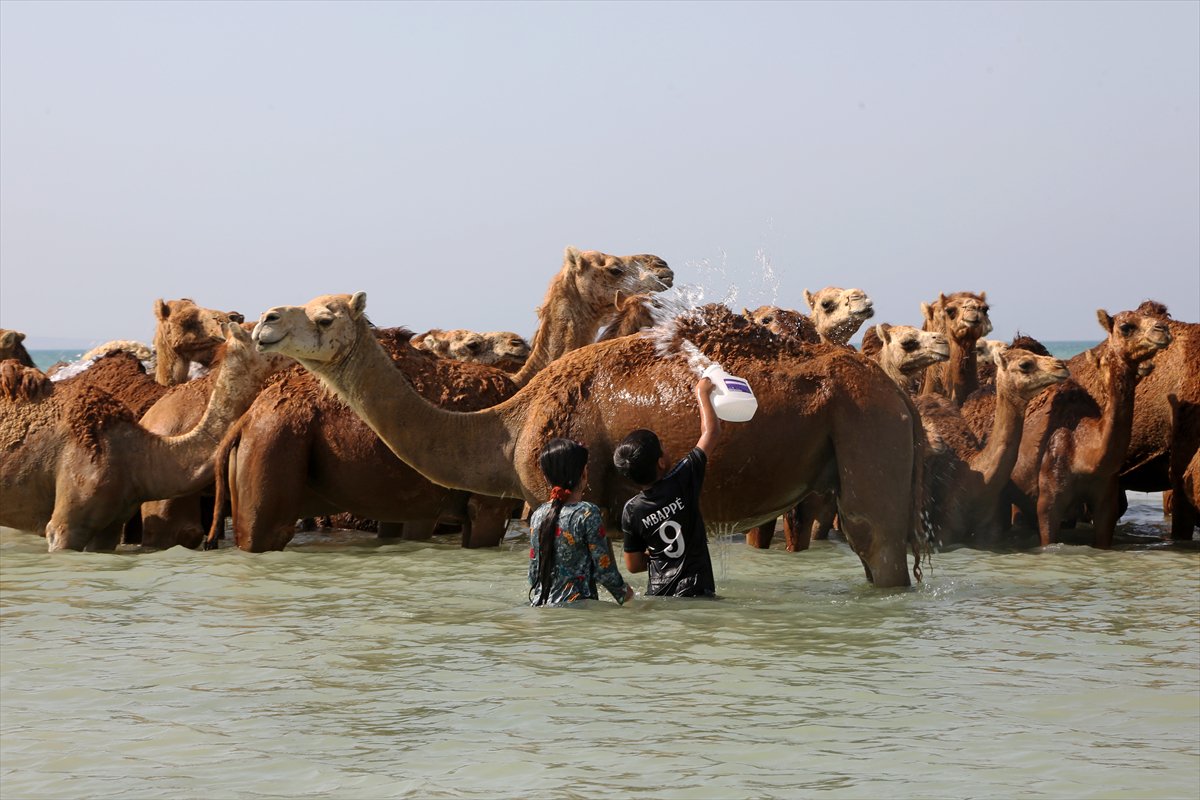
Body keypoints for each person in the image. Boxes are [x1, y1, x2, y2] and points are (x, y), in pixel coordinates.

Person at [613, 375, 721, 598]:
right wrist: (702, 393)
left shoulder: (631, 510)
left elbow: (633, 565)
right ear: (661, 462)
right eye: (662, 445)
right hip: (696, 590)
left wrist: (660, 554)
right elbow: (711, 433)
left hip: (659, 594)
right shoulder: (683, 477)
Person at [528, 437, 635, 606]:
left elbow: (533, 574)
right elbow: (604, 571)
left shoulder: (537, 515)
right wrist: (629, 598)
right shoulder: (587, 513)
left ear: (546, 479)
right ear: (584, 474)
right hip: (578, 611)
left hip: (541, 606)